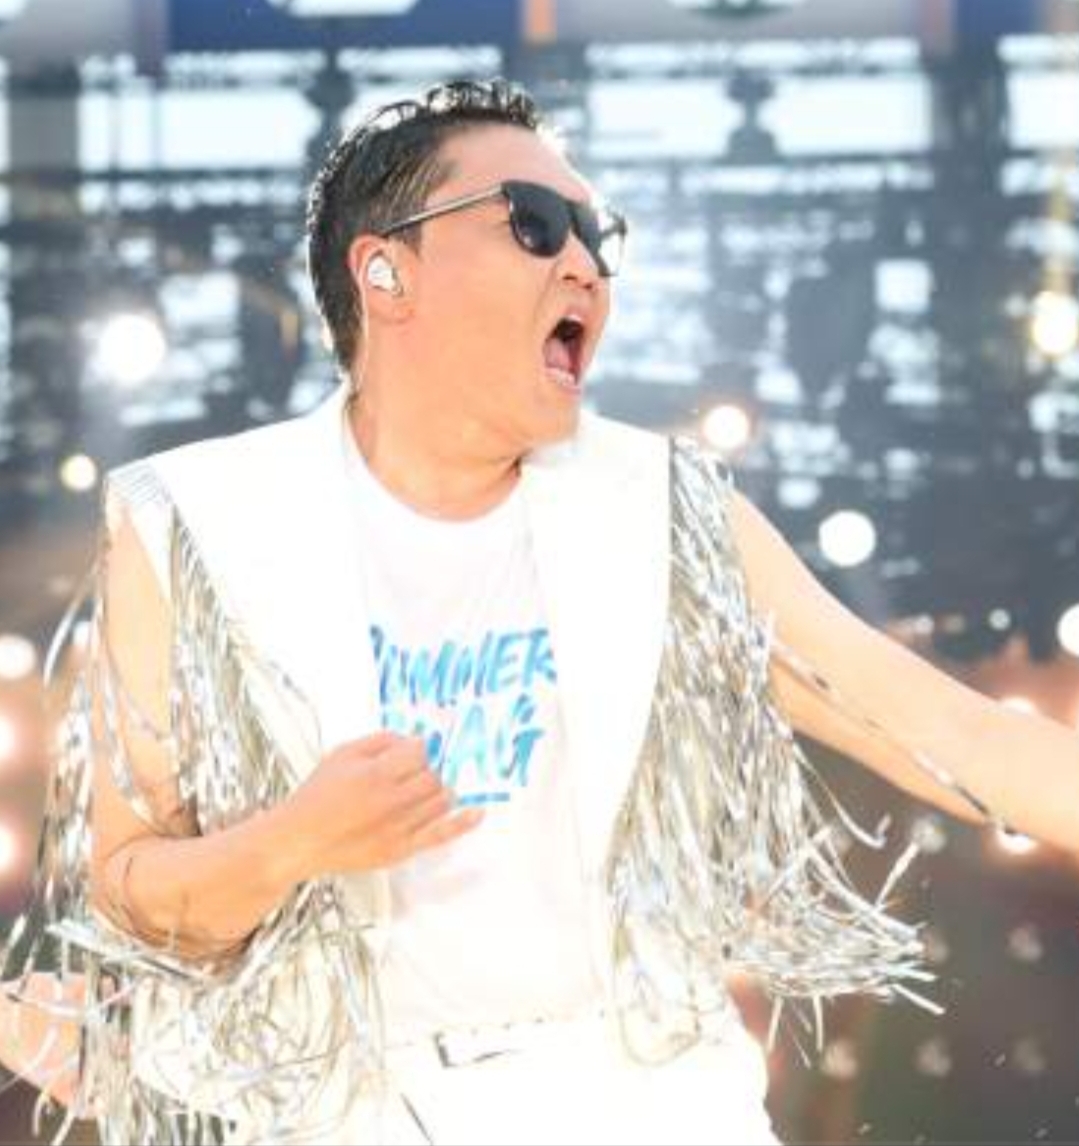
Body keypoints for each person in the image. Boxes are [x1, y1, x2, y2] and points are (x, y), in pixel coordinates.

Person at [3, 77, 1079, 1146]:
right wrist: (293, 841)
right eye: (532, 223)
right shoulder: (197, 522)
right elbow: (132, 896)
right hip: (353, 1118)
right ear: (384, 271)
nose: (584, 264)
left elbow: (959, 736)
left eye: (596, 236)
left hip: (653, 1110)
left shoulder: (662, 511)